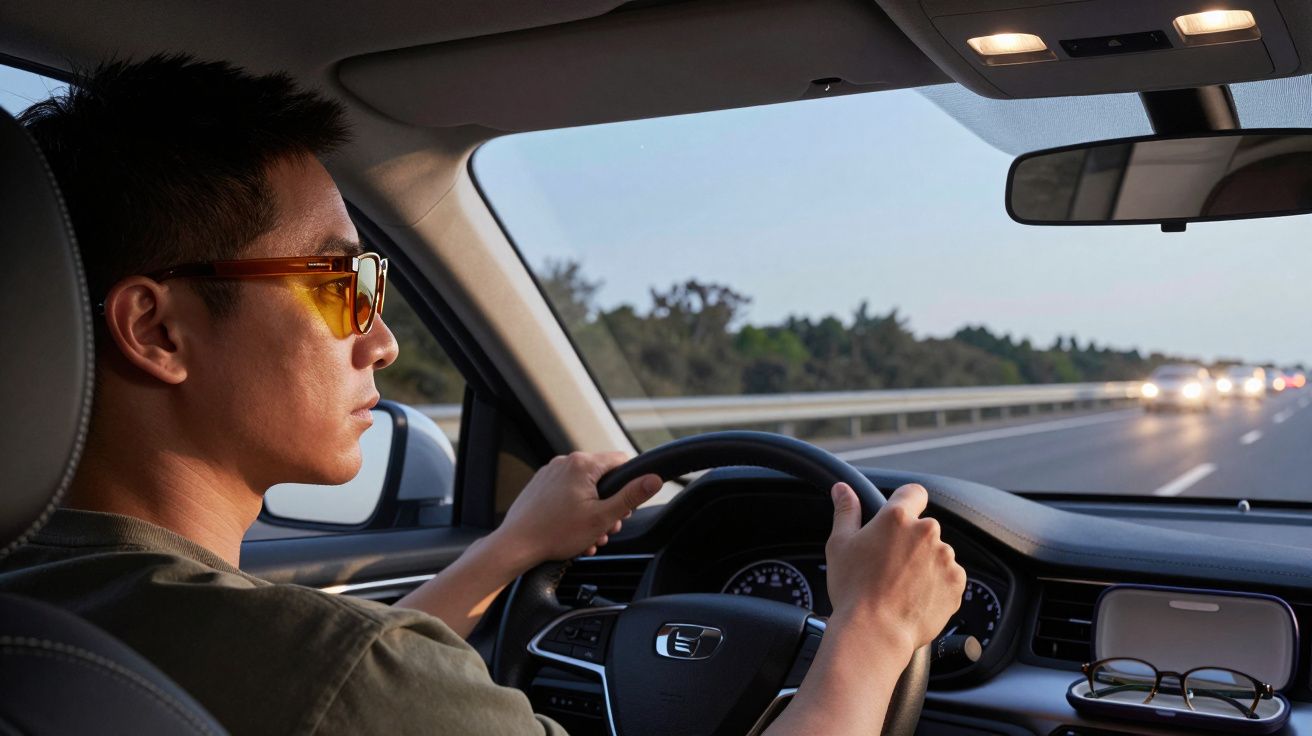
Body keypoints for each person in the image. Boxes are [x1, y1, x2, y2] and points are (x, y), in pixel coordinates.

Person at [0, 54, 965, 735]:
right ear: (157, 330)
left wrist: (509, 549)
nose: (381, 340)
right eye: (341, 284)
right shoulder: (338, 673)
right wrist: (872, 631)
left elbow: (337, 672)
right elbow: (347, 675)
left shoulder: (51, 608)